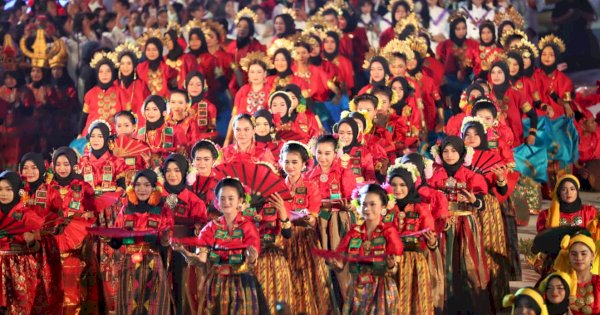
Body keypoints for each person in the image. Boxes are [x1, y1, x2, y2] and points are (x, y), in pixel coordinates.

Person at [174, 178, 266, 314]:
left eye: (231, 198)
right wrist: (184, 252)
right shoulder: (209, 228)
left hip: (242, 281)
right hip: (216, 283)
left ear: (240, 200)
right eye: (222, 198)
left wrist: (251, 257)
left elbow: (253, 260)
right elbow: (201, 260)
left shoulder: (248, 227)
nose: (226, 202)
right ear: (217, 201)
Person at [428, 136, 491, 313]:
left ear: (462, 153)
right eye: (446, 151)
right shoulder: (433, 176)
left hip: (465, 224)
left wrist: (474, 201)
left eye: (454, 151)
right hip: (442, 224)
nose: (449, 155)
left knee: (468, 265)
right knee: (444, 264)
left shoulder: (472, 176)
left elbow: (482, 204)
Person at [328, 184, 404, 314]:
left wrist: (391, 265)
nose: (367, 208)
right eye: (364, 204)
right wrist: (336, 264)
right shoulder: (353, 232)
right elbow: (340, 263)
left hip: (381, 289)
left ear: (383, 207)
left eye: (372, 204)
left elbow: (395, 268)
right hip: (358, 289)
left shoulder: (389, 232)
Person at [279, 141, 335, 313]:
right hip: (282, 238)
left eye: (294, 162)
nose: (290, 166)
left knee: (310, 279)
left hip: (305, 238)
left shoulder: (311, 186)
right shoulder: (277, 187)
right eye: (286, 161)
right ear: (280, 162)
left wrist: (306, 218)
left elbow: (313, 219)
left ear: (304, 165)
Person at [113, 169, 173, 314]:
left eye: (146, 185)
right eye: (138, 185)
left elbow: (165, 243)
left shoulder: (162, 210)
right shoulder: (126, 209)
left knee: (154, 306)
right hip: (129, 264)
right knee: (128, 306)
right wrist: (108, 238)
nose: (141, 189)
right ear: (132, 188)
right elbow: (117, 240)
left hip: (154, 263)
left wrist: (166, 237)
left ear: (153, 188)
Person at [50, 147, 100, 314]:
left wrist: (88, 213)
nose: (62, 168)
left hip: (78, 247)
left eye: (66, 164)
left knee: (77, 290)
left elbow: (95, 211)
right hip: (54, 247)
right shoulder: (48, 187)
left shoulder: (83, 187)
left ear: (73, 165)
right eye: (58, 164)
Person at [386, 163, 436, 314]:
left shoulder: (420, 208)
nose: (398, 189)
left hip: (414, 263)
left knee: (415, 303)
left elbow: (431, 240)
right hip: (389, 262)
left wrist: (432, 242)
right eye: (393, 185)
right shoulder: (385, 208)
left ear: (410, 184)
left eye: (402, 184)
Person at [161, 154, 207, 314]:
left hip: (185, 250)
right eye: (168, 170)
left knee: (183, 291)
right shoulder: (156, 197)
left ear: (185, 173)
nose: (172, 174)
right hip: (160, 249)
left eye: (177, 170)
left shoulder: (195, 201)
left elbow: (203, 230)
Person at [0, 170, 45, 314]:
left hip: (21, 267)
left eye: (9, 189)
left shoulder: (28, 215)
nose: (3, 194)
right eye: (0, 189)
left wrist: (31, 241)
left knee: (20, 308)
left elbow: (37, 247)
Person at [553, 233, 600, 315]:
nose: (579, 258)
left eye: (583, 254)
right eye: (574, 254)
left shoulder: (598, 282)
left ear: (592, 256)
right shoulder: (560, 283)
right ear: (569, 257)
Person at [79, 51, 122, 137]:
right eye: (101, 72)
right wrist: (79, 133)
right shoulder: (90, 94)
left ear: (113, 73)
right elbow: (84, 116)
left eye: (108, 71)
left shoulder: (120, 92)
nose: (104, 75)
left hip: (114, 136)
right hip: (91, 136)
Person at [114, 43, 151, 127]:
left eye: (129, 63)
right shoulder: (115, 85)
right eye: (122, 64)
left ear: (134, 66)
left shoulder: (141, 85)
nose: (125, 67)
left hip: (139, 126)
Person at [136, 29, 173, 96]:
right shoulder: (140, 68)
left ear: (160, 50)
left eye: (154, 49)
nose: (151, 53)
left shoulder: (166, 67)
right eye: (148, 50)